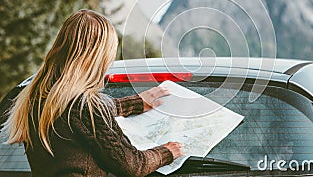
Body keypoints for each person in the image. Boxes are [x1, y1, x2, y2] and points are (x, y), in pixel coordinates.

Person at [3, 9, 184, 176]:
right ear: (98, 57)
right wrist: (166, 152)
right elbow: (132, 165)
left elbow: (81, 114)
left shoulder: (33, 96)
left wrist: (135, 103)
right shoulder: (86, 108)